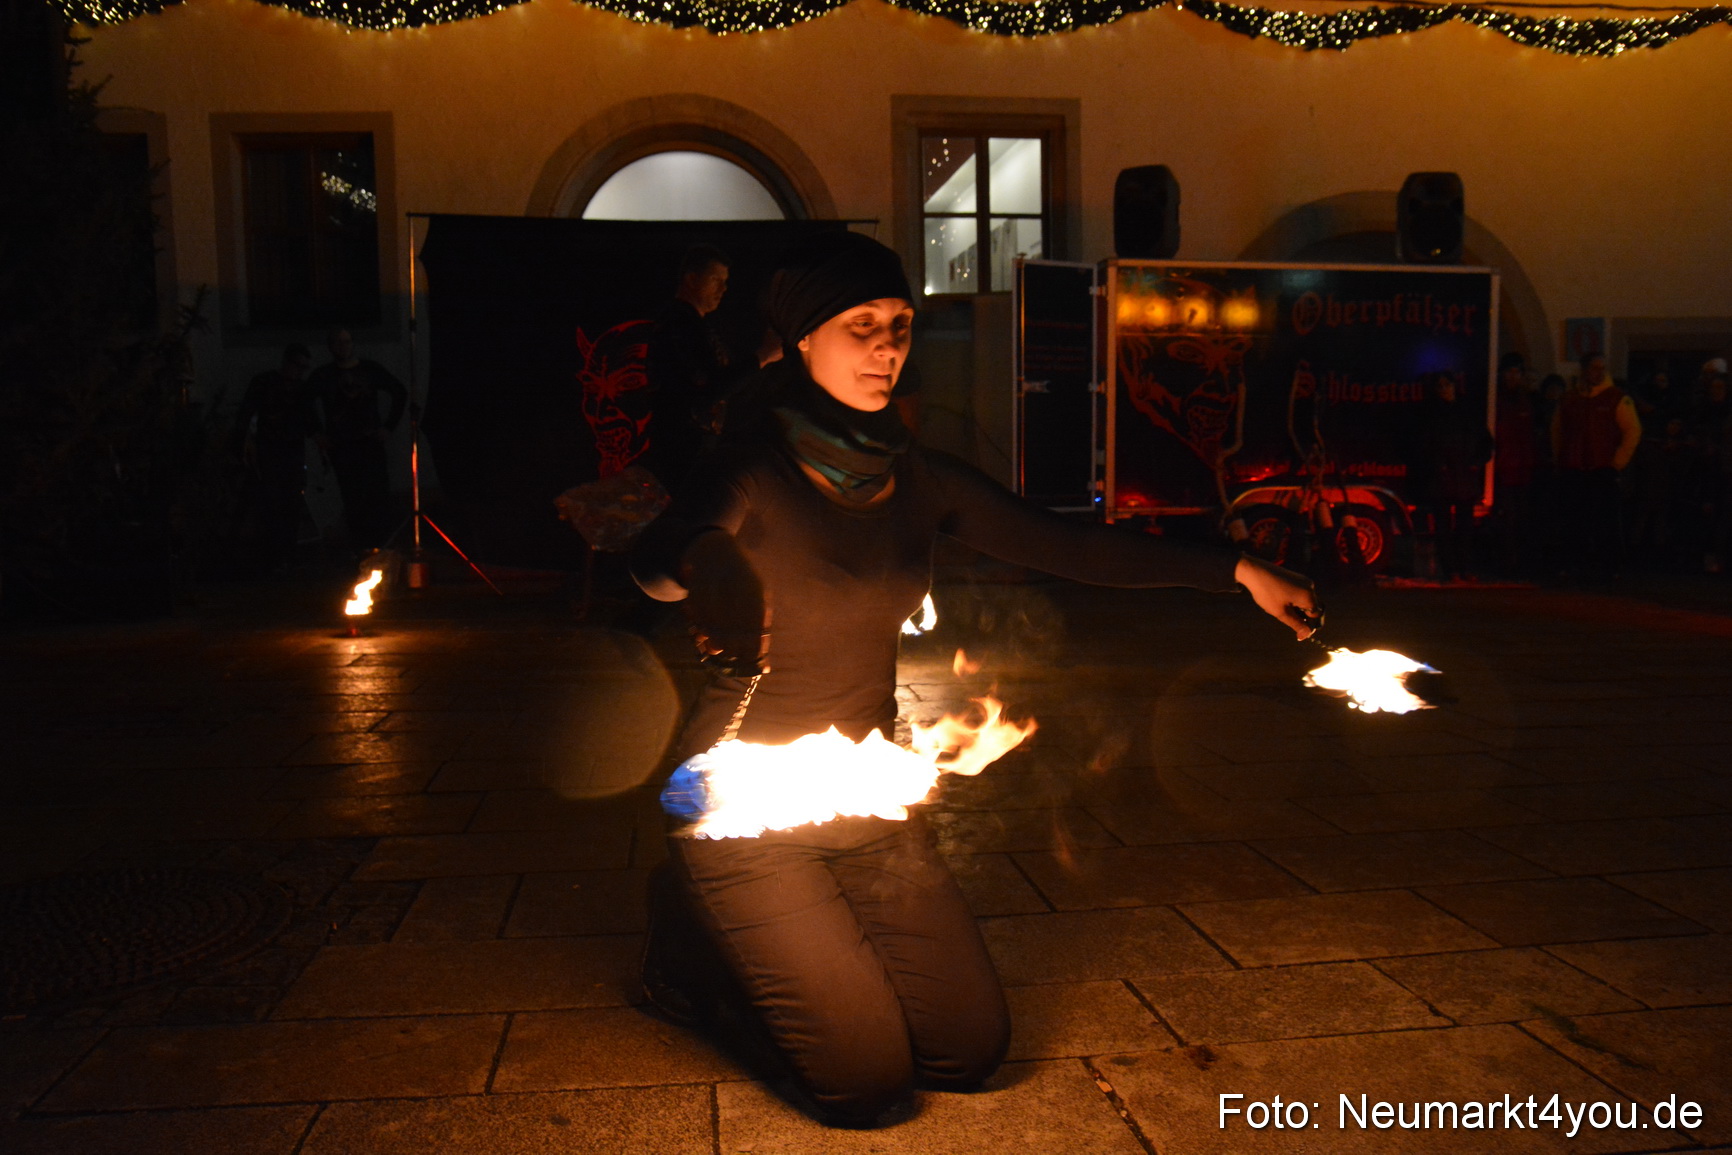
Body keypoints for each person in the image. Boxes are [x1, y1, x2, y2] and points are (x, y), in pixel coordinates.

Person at [629, 232, 1320, 1128]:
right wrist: (710, 566)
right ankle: (690, 963)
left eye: (901, 327)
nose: (886, 347)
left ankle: (777, 948)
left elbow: (1069, 546)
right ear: (801, 339)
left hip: (866, 805)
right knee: (867, 1084)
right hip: (739, 812)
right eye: (861, 326)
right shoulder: (751, 465)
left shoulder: (914, 480)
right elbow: (655, 556)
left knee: (967, 1050)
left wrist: (1233, 570)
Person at [643, 244, 736, 490]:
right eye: (716, 279)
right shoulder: (679, 325)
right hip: (684, 450)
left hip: (693, 447)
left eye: (724, 281)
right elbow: (706, 387)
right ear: (692, 279)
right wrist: (761, 358)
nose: (723, 289)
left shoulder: (692, 325)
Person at [307, 329, 408, 551]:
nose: (342, 347)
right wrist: (317, 433)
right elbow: (303, 402)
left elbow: (399, 392)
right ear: (331, 347)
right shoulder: (323, 375)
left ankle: (381, 546)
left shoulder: (370, 370)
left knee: (377, 494)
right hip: (342, 446)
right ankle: (360, 547)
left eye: (346, 342)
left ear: (353, 344)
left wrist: (388, 427)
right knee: (352, 497)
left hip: (370, 443)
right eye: (337, 343)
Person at [1552, 352, 1640, 579]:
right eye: (1594, 368)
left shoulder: (1616, 398)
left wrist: (1617, 463)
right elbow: (1557, 431)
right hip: (1574, 468)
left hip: (1603, 469)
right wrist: (1560, 458)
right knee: (1573, 520)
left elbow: (1632, 431)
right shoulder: (1570, 399)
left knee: (1606, 522)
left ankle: (1609, 566)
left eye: (1602, 368)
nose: (1598, 373)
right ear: (1584, 370)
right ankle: (1573, 564)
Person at [233, 343, 317, 571]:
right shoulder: (264, 383)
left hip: (292, 451)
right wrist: (247, 442)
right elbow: (246, 415)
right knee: (270, 503)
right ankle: (271, 555)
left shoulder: (302, 390)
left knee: (290, 503)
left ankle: (286, 554)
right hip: (269, 450)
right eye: (298, 366)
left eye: (303, 368)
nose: (299, 372)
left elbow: (311, 422)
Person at [1419, 371, 1494, 581]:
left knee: (1465, 528)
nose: (1444, 389)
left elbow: (1486, 442)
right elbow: (1425, 445)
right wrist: (1438, 466)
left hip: (1465, 478)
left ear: (1454, 386)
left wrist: (1476, 464)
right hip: (1442, 479)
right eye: (1440, 386)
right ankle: (1450, 570)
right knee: (1443, 526)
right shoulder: (1431, 414)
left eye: (1447, 384)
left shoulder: (1467, 412)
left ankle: (1466, 568)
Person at [1491, 352, 1538, 576]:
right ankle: (1507, 563)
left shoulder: (1525, 401)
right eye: (1510, 371)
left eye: (1517, 372)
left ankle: (1520, 562)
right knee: (1507, 520)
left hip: (1523, 470)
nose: (1513, 376)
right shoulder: (1497, 401)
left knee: (1522, 520)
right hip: (1505, 470)